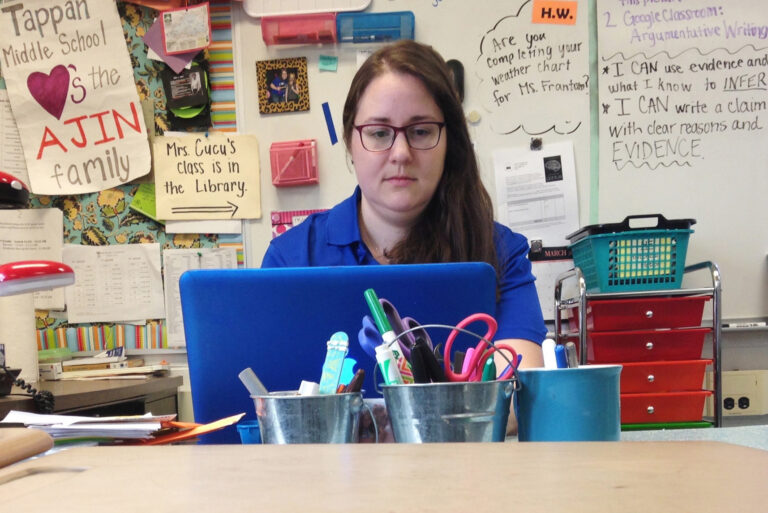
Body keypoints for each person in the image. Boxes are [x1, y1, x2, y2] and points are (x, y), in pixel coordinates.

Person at [261, 40, 546, 432]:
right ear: (351, 142)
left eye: (421, 131)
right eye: (379, 133)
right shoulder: (290, 258)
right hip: (323, 472)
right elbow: (265, 407)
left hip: (460, 469)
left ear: (450, 142)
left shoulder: (500, 252)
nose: (400, 153)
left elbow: (515, 404)